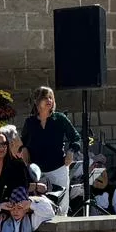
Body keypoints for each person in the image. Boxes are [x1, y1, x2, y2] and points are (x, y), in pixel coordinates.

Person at [20, 87, 80, 215]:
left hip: (58, 169)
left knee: (61, 208)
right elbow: (22, 142)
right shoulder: (30, 122)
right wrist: (23, 149)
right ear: (37, 101)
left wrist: (71, 151)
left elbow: (76, 138)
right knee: (40, 208)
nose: (49, 100)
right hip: (37, 174)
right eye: (45, 97)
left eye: (51, 97)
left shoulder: (60, 119)